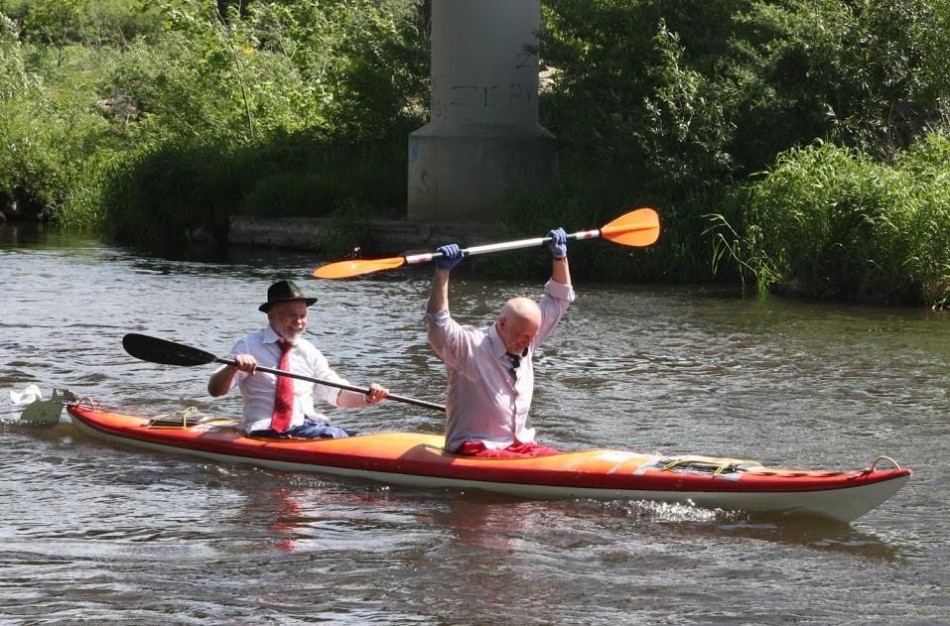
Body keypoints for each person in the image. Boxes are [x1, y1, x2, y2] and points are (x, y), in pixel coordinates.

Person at [425, 228, 575, 458]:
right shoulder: (469, 346)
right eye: (521, 336)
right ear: (502, 324)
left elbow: (559, 298)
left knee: (559, 457)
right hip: (474, 446)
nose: (526, 343)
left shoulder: (528, 337)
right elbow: (438, 324)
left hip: (518, 444)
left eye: (531, 336)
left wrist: (559, 257)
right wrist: (442, 272)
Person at [208, 279, 389, 438]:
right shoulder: (248, 346)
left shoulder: (309, 351)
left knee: (364, 437)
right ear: (271, 316)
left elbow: (338, 395)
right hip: (267, 429)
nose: (299, 322)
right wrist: (232, 367)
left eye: (303, 316)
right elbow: (215, 390)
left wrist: (368, 397)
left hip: (309, 426)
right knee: (336, 435)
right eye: (292, 316)